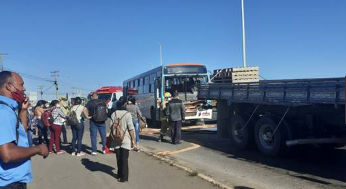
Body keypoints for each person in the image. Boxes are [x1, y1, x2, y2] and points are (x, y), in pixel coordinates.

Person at [0, 71, 49, 188]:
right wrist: (38, 148)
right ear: (9, 86)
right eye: (21, 85)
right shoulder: (3, 112)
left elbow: (21, 131)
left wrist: (23, 110)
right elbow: (8, 154)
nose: (24, 88)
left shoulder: (8, 109)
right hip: (9, 183)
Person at [110, 99, 136, 182]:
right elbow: (131, 128)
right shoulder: (127, 114)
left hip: (116, 139)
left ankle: (119, 174)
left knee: (118, 158)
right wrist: (133, 140)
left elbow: (111, 126)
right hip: (125, 139)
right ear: (124, 105)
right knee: (124, 159)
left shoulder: (113, 114)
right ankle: (124, 177)